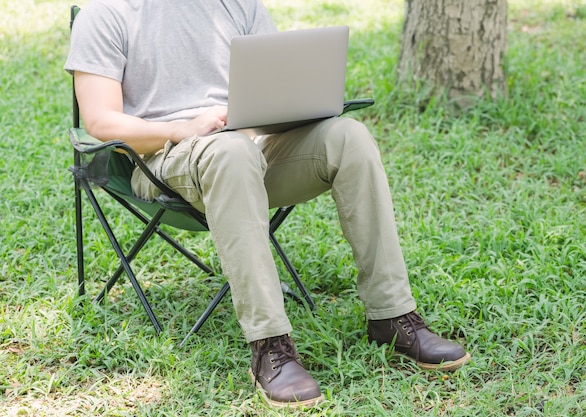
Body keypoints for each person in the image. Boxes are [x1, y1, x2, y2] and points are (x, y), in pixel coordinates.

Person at [65, 0, 471, 409]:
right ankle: (270, 346)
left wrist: (299, 109)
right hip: (163, 158)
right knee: (231, 153)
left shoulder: (236, 5)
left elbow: (278, 87)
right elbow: (100, 121)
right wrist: (181, 128)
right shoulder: (109, 13)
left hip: (253, 146)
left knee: (350, 137)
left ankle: (392, 316)